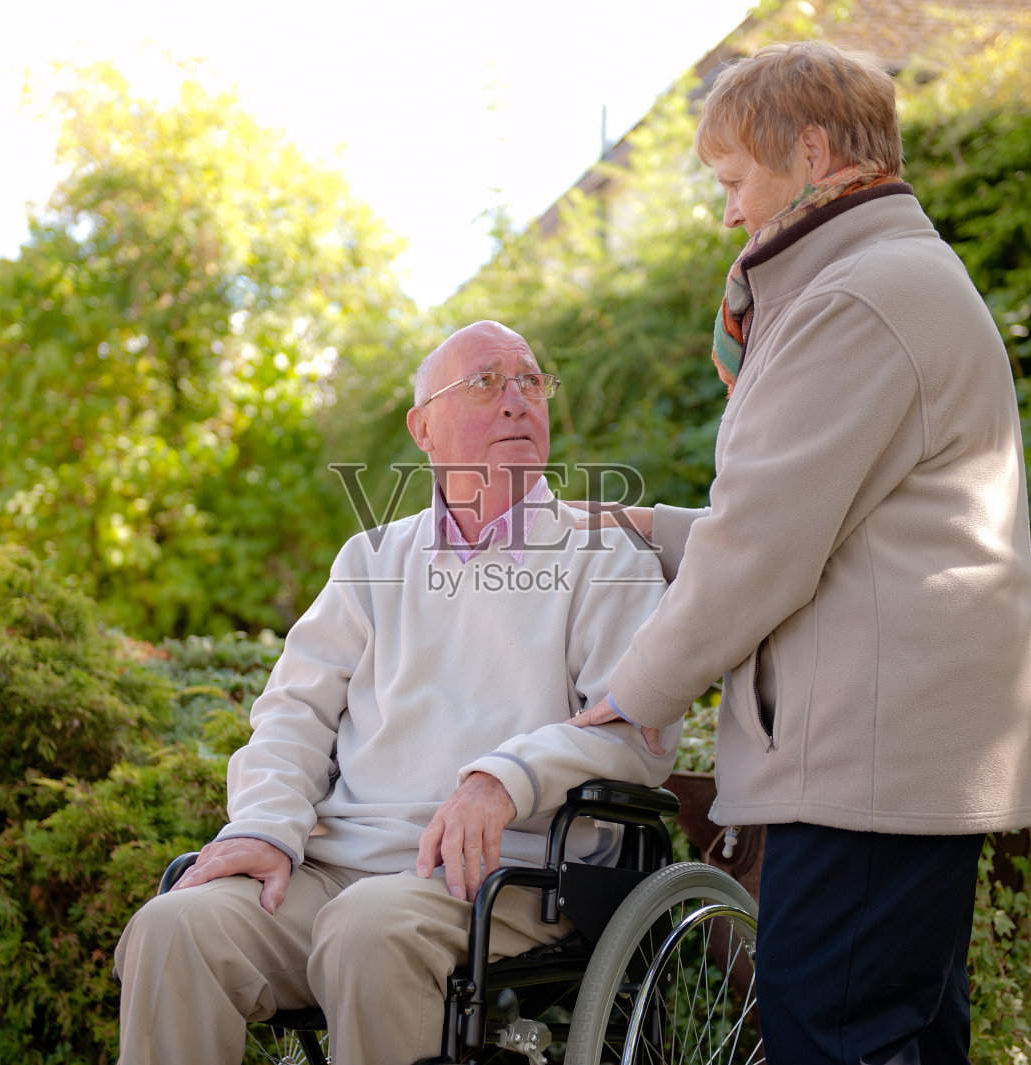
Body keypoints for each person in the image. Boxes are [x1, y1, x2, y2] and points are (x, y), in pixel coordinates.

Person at [569, 41, 1031, 1064]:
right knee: (901, 1038)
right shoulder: (891, 279)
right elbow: (833, 536)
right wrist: (646, 529)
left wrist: (632, 691)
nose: (727, 213)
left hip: (866, 762)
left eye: (732, 180)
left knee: (829, 1036)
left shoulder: (851, 301)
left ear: (815, 153)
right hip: (897, 747)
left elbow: (762, 552)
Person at [114, 320, 675, 1065]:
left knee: (368, 927)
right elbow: (294, 713)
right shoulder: (371, 559)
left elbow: (632, 731)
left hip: (505, 875)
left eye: (530, 381)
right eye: (485, 382)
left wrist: (504, 778)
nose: (515, 400)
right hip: (337, 869)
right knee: (173, 927)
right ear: (424, 428)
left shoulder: (605, 558)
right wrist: (264, 826)